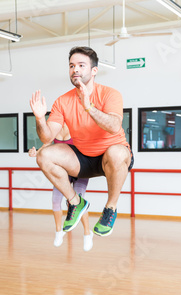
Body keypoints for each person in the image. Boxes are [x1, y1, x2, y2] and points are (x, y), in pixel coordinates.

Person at [29, 46, 133, 237]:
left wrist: (89, 107)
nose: (75, 69)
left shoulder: (110, 94)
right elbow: (47, 137)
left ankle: (110, 208)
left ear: (94, 70)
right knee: (44, 156)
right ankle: (75, 202)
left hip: (111, 156)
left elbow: (113, 126)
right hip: (83, 158)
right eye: (71, 66)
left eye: (81, 65)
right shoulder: (62, 101)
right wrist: (39, 118)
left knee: (116, 152)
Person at [29, 124, 92, 251]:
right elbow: (46, 148)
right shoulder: (54, 128)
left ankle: (87, 233)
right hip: (63, 172)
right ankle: (58, 232)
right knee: (55, 200)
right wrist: (36, 152)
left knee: (78, 201)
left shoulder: (77, 126)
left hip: (80, 170)